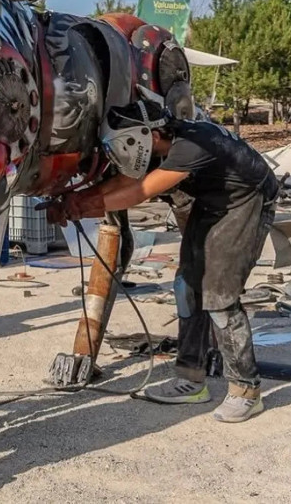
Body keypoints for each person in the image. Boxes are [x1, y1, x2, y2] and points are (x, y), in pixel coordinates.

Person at [48, 99, 278, 423]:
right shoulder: (162, 147)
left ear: (150, 135)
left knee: (220, 298)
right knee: (187, 286)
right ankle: (191, 378)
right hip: (214, 203)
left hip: (247, 202)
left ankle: (246, 391)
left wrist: (79, 208)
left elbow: (139, 192)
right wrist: (76, 200)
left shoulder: (188, 147)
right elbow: (124, 182)